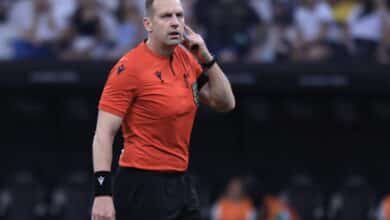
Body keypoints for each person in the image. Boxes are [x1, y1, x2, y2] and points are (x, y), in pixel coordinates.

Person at [91, 0, 236, 219]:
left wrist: (207, 58)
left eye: (179, 15)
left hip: (181, 181)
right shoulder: (129, 68)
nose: (175, 23)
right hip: (141, 184)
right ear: (148, 24)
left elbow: (225, 102)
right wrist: (102, 193)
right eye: (166, 16)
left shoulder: (187, 59)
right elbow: (103, 134)